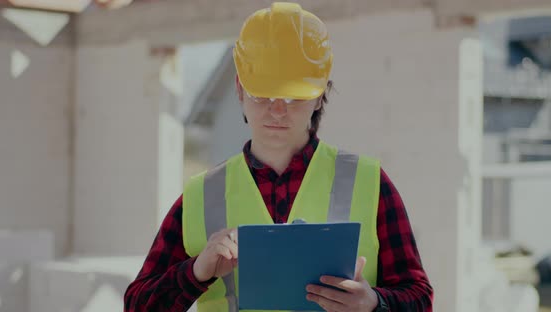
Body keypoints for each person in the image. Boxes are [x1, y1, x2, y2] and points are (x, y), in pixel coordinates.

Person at [124, 2, 433, 311]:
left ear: (319, 94)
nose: (277, 110)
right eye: (262, 94)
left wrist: (373, 303)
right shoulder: (201, 196)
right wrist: (196, 272)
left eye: (293, 96)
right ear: (240, 89)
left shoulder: (369, 183)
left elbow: (419, 299)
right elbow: (137, 305)